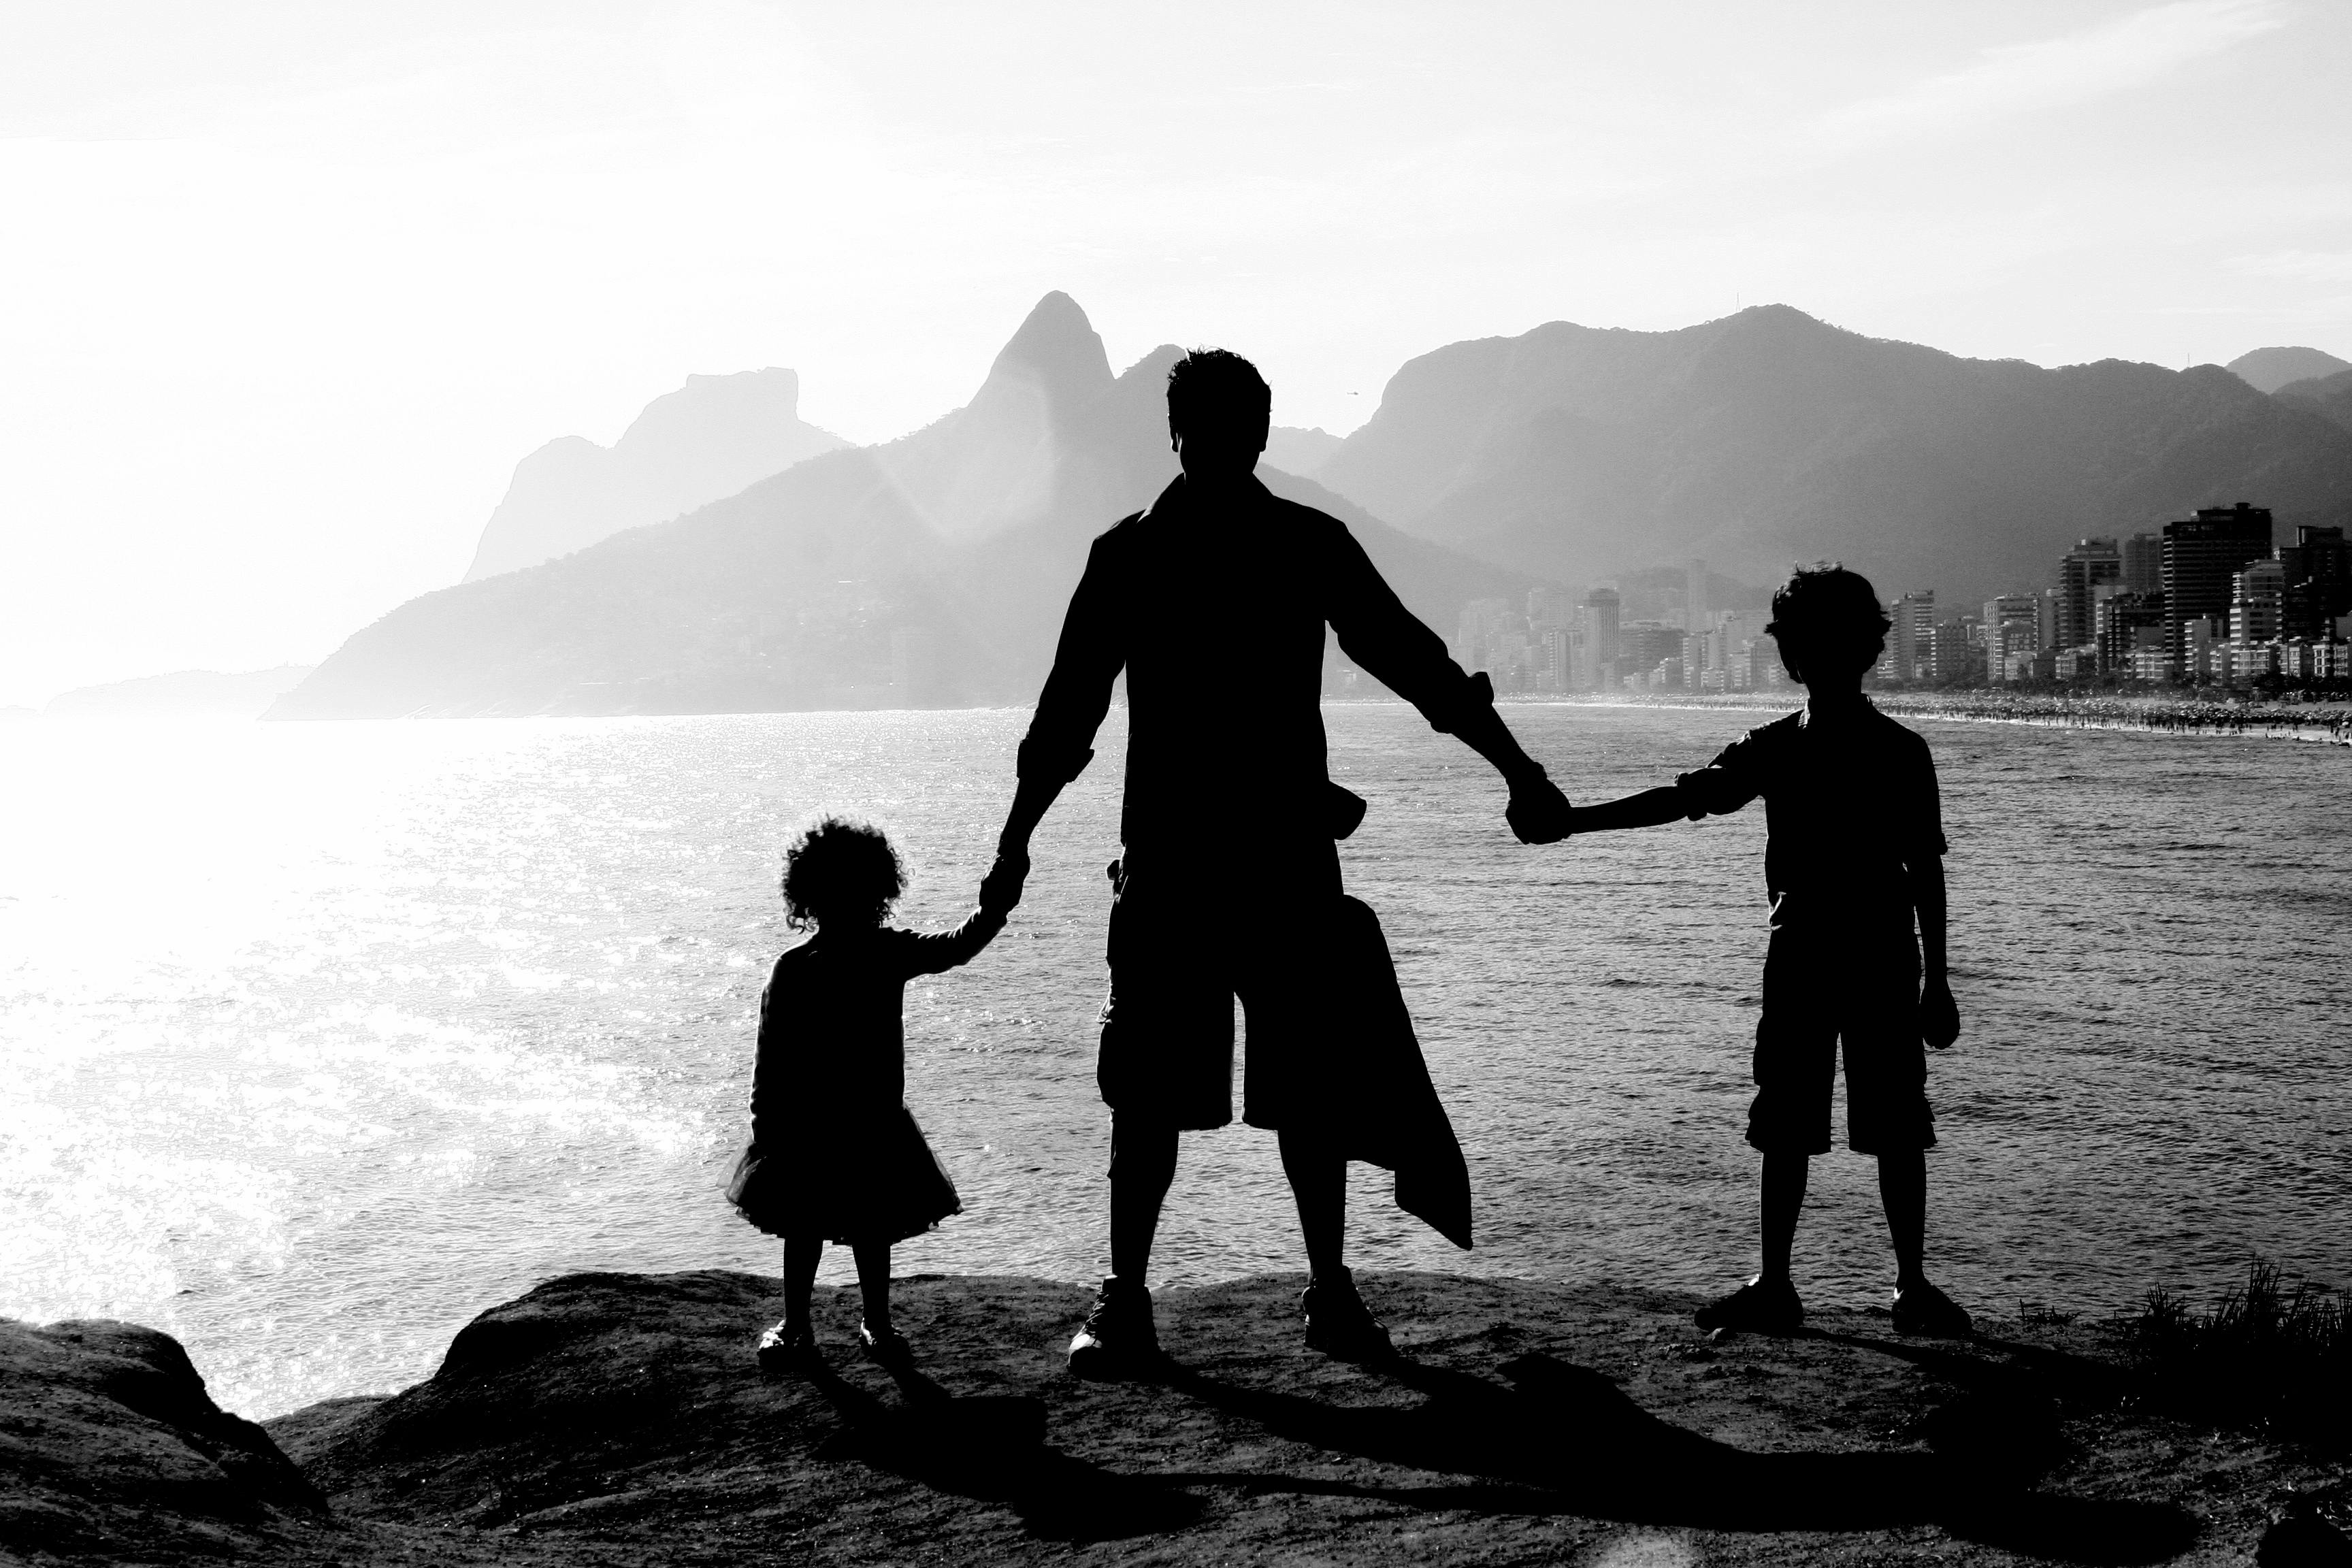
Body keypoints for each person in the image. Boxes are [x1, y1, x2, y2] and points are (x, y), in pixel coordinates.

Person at [979, 348, 1575, 1377]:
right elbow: (1070, 712)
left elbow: (1414, 661)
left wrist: (1016, 843)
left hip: (1237, 862)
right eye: (1207, 428)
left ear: (1233, 434)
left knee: (1261, 1090)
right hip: (1212, 863)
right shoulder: (1181, 550)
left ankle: (1239, 1296)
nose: (1214, 444)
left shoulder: (1223, 548)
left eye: (1222, 428)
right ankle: (1219, 1295)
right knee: (1195, 1092)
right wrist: (1517, 772)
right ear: (1218, 434)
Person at [1563, 564, 1971, 1337]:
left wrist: (1939, 983)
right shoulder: (1867, 750)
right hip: (1856, 956)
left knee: (1863, 1123)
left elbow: (1925, 870)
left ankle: (1863, 1283)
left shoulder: (1815, 749)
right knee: (1826, 1120)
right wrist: (1576, 823)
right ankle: (1851, 1284)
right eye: (1805, 644)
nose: (1810, 658)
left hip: (1841, 956)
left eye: (1813, 643)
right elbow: (1686, 799)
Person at [728, 815, 1009, 1372]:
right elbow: (771, 1056)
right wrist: (766, 1125)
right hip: (828, 1125)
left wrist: (994, 909)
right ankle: (830, 1324)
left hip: (851, 1122)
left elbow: (958, 945)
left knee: (848, 1226)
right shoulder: (829, 962)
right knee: (831, 1226)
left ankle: (834, 1324)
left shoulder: (833, 960)